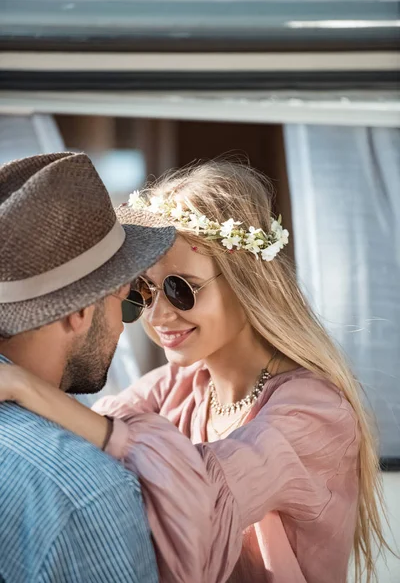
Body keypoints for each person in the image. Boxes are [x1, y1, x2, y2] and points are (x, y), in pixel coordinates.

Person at [0, 159, 388, 583]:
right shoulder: (178, 386)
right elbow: (93, 436)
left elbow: (203, 499)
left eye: (180, 289)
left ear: (246, 283)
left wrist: (26, 386)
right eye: (143, 291)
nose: (158, 315)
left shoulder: (315, 412)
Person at [0, 152, 243, 583]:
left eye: (180, 291)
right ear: (78, 313)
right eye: (132, 298)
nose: (151, 317)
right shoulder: (87, 496)